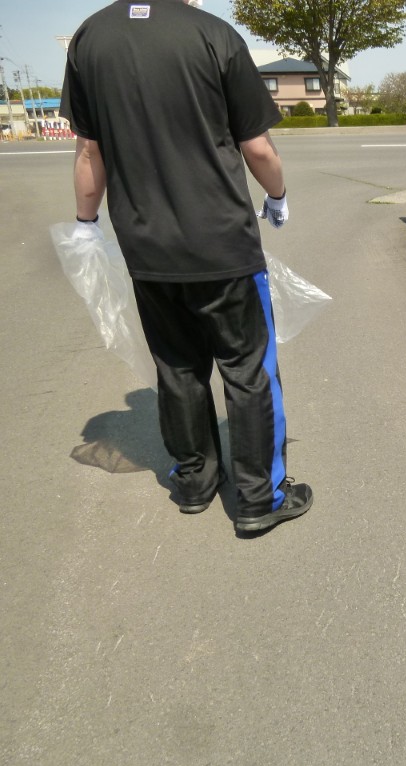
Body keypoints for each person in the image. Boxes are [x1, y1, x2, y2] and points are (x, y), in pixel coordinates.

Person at [60, 0, 312, 534]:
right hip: (222, 244)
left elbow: (89, 151)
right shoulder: (213, 35)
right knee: (248, 369)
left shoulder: (89, 40)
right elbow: (257, 147)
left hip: (146, 248)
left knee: (177, 366)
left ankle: (195, 480)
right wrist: (278, 195)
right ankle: (259, 498)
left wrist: (85, 223)